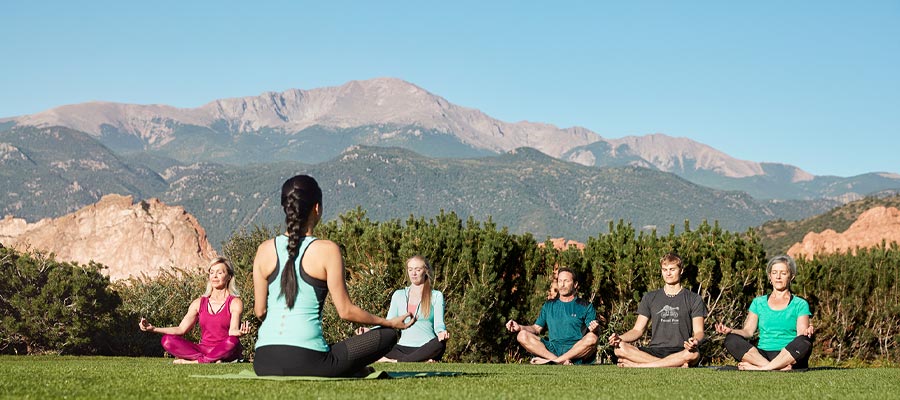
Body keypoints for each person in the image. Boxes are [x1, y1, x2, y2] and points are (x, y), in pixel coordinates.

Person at [251, 174, 414, 377]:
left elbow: (260, 311)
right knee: (387, 336)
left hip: (263, 362)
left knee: (331, 351)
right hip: (309, 362)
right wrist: (389, 322)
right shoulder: (327, 249)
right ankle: (348, 368)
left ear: (285, 207)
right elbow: (346, 311)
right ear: (317, 208)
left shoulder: (264, 249)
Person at [139, 257, 250, 364]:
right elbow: (181, 329)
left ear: (229, 276)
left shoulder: (235, 302)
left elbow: (232, 331)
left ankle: (197, 362)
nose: (214, 276)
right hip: (203, 350)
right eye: (212, 273)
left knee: (232, 341)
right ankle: (209, 360)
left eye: (220, 273)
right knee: (167, 340)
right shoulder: (199, 302)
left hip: (225, 349)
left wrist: (239, 332)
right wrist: (153, 329)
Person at [715, 255, 815, 371]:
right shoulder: (758, 302)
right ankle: (775, 368)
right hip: (762, 355)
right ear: (769, 277)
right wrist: (730, 331)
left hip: (788, 355)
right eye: (774, 273)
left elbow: (801, 333)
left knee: (804, 341)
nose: (778, 277)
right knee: (731, 339)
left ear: (791, 277)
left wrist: (808, 331)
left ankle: (761, 368)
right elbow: (748, 331)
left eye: (783, 273)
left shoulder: (800, 304)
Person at [608, 253, 707, 368]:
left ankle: (640, 366)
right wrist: (619, 338)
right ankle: (673, 365)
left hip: (681, 350)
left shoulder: (693, 299)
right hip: (655, 350)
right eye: (664, 270)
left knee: (694, 354)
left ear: (681, 270)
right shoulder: (650, 297)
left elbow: (699, 332)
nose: (668, 273)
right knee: (619, 349)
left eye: (672, 269)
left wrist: (695, 342)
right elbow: (637, 330)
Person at [357, 255, 450, 362]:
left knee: (439, 344)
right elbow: (389, 323)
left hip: (426, 347)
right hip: (401, 348)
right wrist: (370, 331)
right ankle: (419, 360)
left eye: (418, 270)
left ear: (426, 271)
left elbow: (439, 324)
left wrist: (442, 333)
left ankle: (394, 361)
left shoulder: (436, 296)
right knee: (382, 344)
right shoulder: (398, 295)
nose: (413, 273)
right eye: (410, 270)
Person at [505, 267, 599, 365]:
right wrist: (519, 327)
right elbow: (536, 328)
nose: (562, 285)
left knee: (593, 338)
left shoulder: (585, 306)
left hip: (575, 350)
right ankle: (559, 360)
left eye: (566, 281)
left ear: (575, 284)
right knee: (522, 335)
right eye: (560, 281)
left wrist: (595, 328)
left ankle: (556, 361)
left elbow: (594, 331)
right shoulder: (549, 305)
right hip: (552, 349)